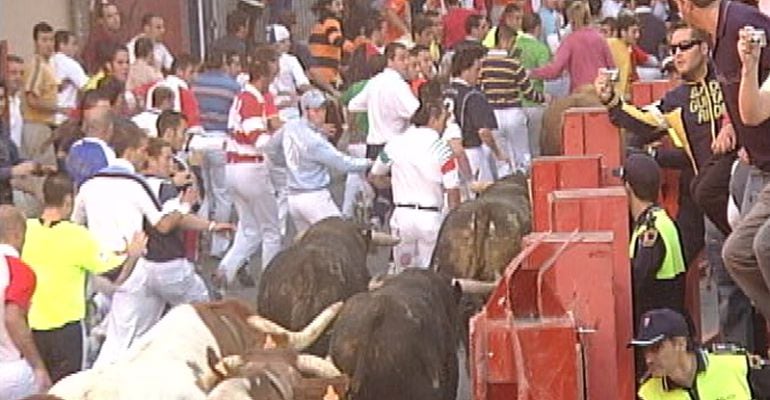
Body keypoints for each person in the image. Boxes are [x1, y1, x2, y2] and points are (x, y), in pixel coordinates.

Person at [674, 0, 770, 321]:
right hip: (757, 164)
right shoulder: (722, 37)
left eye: (684, 46)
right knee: (736, 252)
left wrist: (751, 64)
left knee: (763, 245)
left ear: (686, 5)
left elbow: (753, 111)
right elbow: (749, 111)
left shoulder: (744, 23)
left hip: (757, 165)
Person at [22, 173, 144, 383]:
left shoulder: (26, 230)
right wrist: (132, 254)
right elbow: (116, 276)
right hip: (66, 330)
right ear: (69, 200)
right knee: (67, 389)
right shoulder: (77, 236)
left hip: (31, 329)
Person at [370, 86, 461, 271]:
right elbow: (453, 191)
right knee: (430, 275)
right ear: (433, 118)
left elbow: (374, 176)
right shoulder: (443, 150)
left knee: (402, 274)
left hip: (402, 217)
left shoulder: (395, 144)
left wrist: (394, 183)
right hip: (431, 219)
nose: (445, 125)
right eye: (444, 119)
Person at [215, 60, 282, 286]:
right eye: (272, 75)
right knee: (271, 231)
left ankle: (225, 271)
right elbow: (260, 140)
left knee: (250, 229)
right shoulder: (252, 100)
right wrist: (282, 140)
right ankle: (269, 284)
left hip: (233, 167)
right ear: (263, 75)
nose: (273, 81)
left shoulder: (242, 97)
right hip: (251, 168)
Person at [280, 89, 372, 233]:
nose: (321, 114)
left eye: (322, 109)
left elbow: (271, 149)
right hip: (315, 198)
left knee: (307, 248)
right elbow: (343, 163)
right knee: (340, 237)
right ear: (305, 111)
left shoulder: (290, 127)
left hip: (293, 198)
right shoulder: (315, 141)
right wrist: (369, 162)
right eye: (316, 110)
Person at [348, 42, 420, 224]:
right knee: (401, 194)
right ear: (390, 60)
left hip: (373, 146)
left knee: (383, 192)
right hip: (394, 148)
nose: (405, 63)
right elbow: (416, 112)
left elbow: (353, 105)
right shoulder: (398, 85)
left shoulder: (374, 83)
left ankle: (376, 216)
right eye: (401, 58)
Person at [631, 308, 769, 399]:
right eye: (645, 350)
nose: (648, 359)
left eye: (656, 348)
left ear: (680, 343)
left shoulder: (735, 365)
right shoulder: (648, 394)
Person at [191, 49, 242, 259]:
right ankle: (218, 246)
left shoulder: (194, 84)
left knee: (206, 194)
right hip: (222, 141)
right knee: (223, 195)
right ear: (223, 63)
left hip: (199, 141)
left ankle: (200, 239)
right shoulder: (233, 87)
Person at [480, 23, 545, 174]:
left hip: (493, 115)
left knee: (502, 160)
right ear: (505, 41)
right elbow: (528, 92)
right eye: (512, 42)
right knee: (522, 156)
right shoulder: (514, 64)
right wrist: (543, 98)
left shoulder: (483, 64)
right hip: (514, 113)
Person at [0, 205, 51, 399]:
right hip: (10, 369)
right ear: (17, 234)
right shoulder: (18, 270)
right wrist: (38, 366)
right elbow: (12, 317)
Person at [447, 44, 504, 185]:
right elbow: (484, 131)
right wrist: (498, 152)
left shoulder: (445, 92)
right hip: (472, 153)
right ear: (464, 70)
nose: (479, 75)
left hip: (447, 155)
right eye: (476, 70)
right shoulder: (473, 96)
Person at [530, 1, 615, 94]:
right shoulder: (600, 38)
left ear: (571, 20)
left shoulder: (569, 41)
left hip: (580, 95)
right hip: (602, 94)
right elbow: (613, 69)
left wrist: (531, 73)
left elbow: (554, 70)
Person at [22, 22, 60, 169]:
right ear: (36, 43)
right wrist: (59, 108)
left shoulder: (47, 65)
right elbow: (32, 99)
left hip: (45, 126)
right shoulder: (37, 65)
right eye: (44, 40)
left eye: (51, 40)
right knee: (43, 172)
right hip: (37, 125)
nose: (49, 44)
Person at [514, 13, 551, 159]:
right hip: (535, 102)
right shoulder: (540, 49)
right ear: (538, 28)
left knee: (519, 149)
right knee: (535, 148)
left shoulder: (514, 47)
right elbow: (545, 73)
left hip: (515, 102)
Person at [0, 81, 40, 205]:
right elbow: (13, 168)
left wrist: (35, 167)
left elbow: (14, 158)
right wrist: (13, 171)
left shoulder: (3, 127)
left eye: (1, 98)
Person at [607, 14, 659, 98]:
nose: (637, 36)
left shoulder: (630, 48)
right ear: (623, 32)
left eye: (638, 31)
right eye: (634, 32)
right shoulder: (613, 46)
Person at [308, 0, 348, 96]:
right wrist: (353, 47)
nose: (341, 8)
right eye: (337, 4)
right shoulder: (331, 21)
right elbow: (334, 38)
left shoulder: (318, 24)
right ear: (328, 6)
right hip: (327, 76)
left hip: (318, 75)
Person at [52, 31, 88, 126]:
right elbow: (87, 87)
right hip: (65, 117)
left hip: (49, 116)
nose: (76, 48)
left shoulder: (48, 62)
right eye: (73, 44)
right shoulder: (69, 63)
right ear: (62, 45)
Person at [82, 2, 123, 74]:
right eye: (110, 16)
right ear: (101, 20)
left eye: (117, 14)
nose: (116, 19)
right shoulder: (96, 40)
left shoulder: (116, 37)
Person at [126, 37, 164, 107]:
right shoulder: (150, 71)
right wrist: (157, 68)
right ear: (150, 52)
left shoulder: (129, 69)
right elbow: (161, 84)